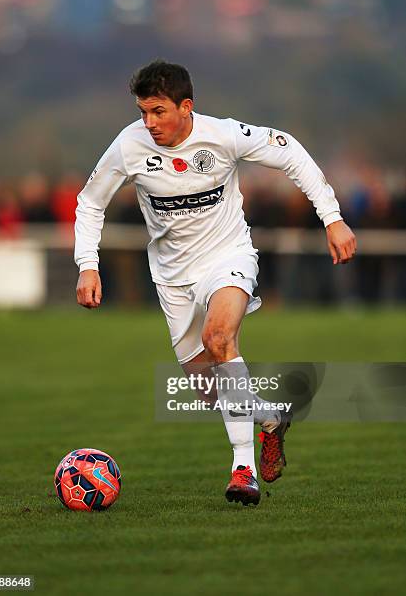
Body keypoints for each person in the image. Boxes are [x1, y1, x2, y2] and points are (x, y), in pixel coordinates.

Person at [74, 60, 357, 506]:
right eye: (143, 112)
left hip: (228, 258)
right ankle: (269, 419)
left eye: (158, 111)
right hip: (172, 278)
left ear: (186, 107)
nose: (149, 123)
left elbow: (290, 152)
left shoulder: (222, 135)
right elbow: (90, 203)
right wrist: (87, 264)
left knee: (220, 337)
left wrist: (333, 218)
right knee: (210, 389)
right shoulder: (128, 146)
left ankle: (243, 468)